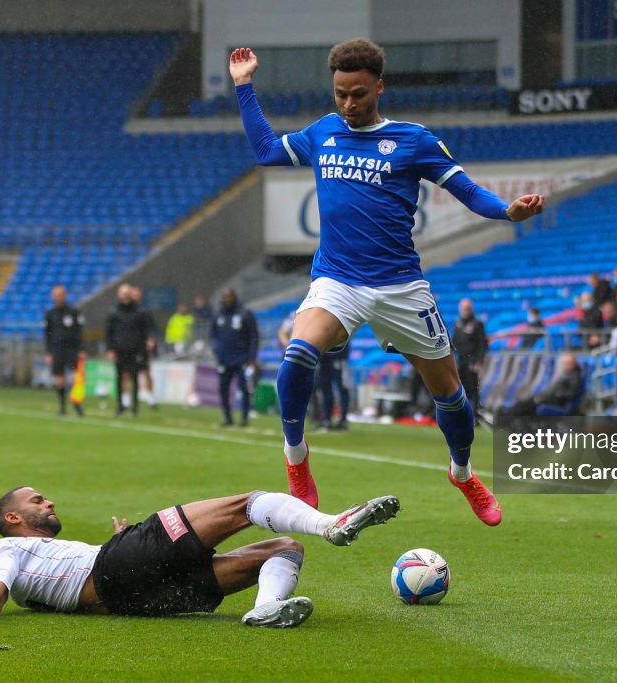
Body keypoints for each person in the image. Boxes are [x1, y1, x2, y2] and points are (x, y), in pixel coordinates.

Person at [229, 40, 544, 525]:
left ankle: (462, 473)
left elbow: (467, 191)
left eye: (358, 94)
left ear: (379, 86)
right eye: (340, 94)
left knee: (452, 397)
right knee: (296, 355)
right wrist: (245, 86)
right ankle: (297, 461)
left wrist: (506, 211)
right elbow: (268, 151)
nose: (348, 104)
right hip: (338, 280)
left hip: (401, 287)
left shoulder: (413, 140)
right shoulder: (324, 132)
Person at [0, 486, 399, 626]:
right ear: (13, 517)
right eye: (38, 501)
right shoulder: (7, 547)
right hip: (118, 568)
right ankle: (331, 525)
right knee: (248, 505)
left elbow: (56, 585)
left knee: (285, 548)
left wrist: (122, 543)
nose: (49, 503)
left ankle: (265, 609)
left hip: (133, 602)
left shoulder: (40, 554)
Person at [211, 288, 259, 428]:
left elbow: (253, 336)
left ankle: (244, 418)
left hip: (241, 359)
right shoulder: (217, 314)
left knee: (244, 388)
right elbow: (213, 336)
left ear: (235, 297)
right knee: (223, 389)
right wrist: (216, 352)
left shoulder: (244, 313)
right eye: (224, 297)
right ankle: (227, 418)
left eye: (229, 297)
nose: (227, 299)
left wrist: (252, 357)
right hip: (224, 359)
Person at [105, 284, 154, 417]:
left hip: (135, 349)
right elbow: (109, 332)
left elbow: (146, 329)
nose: (125, 296)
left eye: (127, 293)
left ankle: (135, 407)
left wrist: (148, 341)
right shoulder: (114, 312)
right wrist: (110, 349)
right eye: (123, 293)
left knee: (135, 378)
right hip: (120, 350)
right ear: (119, 295)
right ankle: (120, 405)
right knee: (120, 378)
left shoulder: (139, 312)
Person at [498, 353, 584, 417]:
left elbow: (570, 394)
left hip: (558, 402)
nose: (566, 366)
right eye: (566, 364)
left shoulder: (576, 377)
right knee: (526, 402)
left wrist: (554, 395)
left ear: (574, 364)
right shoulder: (566, 375)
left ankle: (508, 415)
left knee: (529, 404)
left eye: (569, 364)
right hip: (551, 398)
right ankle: (509, 414)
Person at [43, 285, 85, 417]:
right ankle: (62, 406)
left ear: (65, 295)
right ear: (52, 297)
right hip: (57, 349)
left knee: (76, 377)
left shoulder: (73, 312)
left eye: (60, 294)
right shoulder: (50, 314)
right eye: (56, 295)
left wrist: (81, 348)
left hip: (72, 349)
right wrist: (48, 352)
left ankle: (77, 403)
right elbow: (47, 334)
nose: (58, 297)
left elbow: (79, 332)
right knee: (60, 379)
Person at [452, 298, 487, 422]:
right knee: (461, 389)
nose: (465, 311)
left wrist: (479, 361)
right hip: (460, 361)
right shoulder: (457, 324)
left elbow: (482, 344)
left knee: (473, 389)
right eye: (463, 308)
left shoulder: (477, 324)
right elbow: (454, 343)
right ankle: (462, 415)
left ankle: (474, 415)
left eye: (467, 308)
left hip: (472, 362)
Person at [131, 286, 159, 411]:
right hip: (128, 348)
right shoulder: (124, 311)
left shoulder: (145, 312)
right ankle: (127, 401)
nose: (136, 298)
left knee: (146, 373)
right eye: (134, 295)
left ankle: (151, 398)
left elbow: (152, 328)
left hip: (141, 348)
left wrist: (151, 339)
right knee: (127, 375)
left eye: (138, 295)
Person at [317, 342, 351, 430]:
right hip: (324, 359)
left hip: (339, 357)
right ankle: (326, 419)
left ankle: (343, 419)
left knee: (343, 389)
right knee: (325, 390)